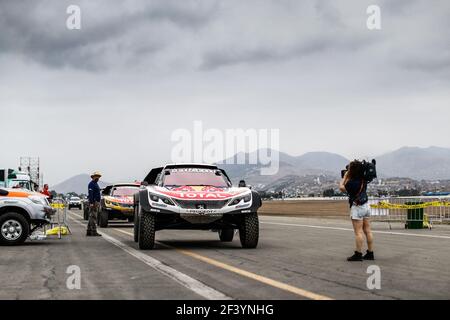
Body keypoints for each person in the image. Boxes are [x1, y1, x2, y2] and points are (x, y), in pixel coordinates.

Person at [339, 160, 374, 261]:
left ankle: (358, 254)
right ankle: (370, 253)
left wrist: (345, 177)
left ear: (352, 170)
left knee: (358, 232)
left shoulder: (351, 182)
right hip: (366, 206)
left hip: (358, 207)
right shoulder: (364, 179)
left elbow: (341, 188)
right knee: (367, 230)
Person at [87, 171, 102, 237]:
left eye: (98, 176)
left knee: (91, 217)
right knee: (93, 217)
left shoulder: (95, 184)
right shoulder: (92, 184)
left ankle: (89, 231)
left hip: (96, 202)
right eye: (96, 176)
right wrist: (91, 203)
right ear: (93, 177)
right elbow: (91, 194)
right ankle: (93, 231)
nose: (98, 177)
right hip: (94, 202)